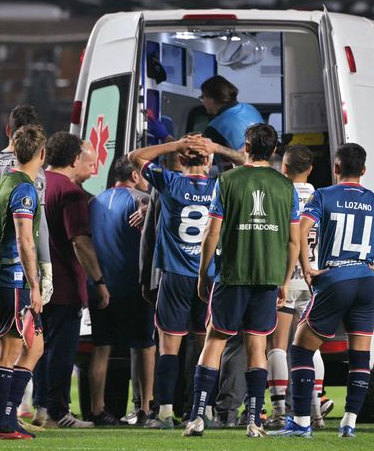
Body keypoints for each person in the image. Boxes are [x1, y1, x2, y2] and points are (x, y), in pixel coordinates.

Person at [270, 143, 374, 439]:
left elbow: (300, 230)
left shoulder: (323, 195)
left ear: (336, 168)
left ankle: (300, 423)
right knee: (360, 357)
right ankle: (349, 422)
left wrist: (308, 268)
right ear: (363, 171)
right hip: (365, 281)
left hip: (335, 278)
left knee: (300, 349)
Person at [183, 123, 300, 438]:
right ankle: (253, 420)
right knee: (257, 345)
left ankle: (197, 417)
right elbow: (293, 241)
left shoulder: (227, 180)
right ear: (274, 151)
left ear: (245, 148)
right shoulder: (285, 186)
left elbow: (212, 231)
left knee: (215, 340)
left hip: (232, 274)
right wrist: (285, 280)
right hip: (267, 277)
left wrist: (203, 273)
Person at [128, 133, 243, 429]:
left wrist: (177, 144)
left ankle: (165, 412)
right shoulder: (223, 184)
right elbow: (251, 161)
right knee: (208, 346)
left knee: (169, 347)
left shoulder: (169, 181)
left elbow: (135, 157)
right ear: (210, 161)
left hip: (175, 276)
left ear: (180, 160)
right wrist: (216, 148)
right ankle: (201, 410)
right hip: (210, 277)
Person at [0, 104, 50, 420]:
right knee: (13, 348)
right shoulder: (24, 188)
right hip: (13, 276)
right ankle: (3, 419)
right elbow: (26, 239)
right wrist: (36, 283)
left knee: (21, 345)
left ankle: (2, 417)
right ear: (41, 154)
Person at [33, 133, 110, 428]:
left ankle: (41, 409)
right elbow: (79, 241)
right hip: (64, 285)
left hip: (38, 285)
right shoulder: (71, 192)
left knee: (40, 349)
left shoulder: (38, 183)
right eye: (90, 161)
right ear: (75, 159)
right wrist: (99, 281)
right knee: (62, 352)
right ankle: (58, 412)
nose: (94, 166)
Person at [265, 144, 330, 429]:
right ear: (311, 169)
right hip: (315, 277)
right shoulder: (323, 198)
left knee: (277, 345)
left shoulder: (279, 195)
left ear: (284, 168)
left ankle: (279, 410)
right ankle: (315, 411)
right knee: (311, 347)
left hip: (286, 276)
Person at [88, 157, 153, 425]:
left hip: (101, 285)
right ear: (136, 175)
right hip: (133, 286)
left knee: (101, 348)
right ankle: (146, 409)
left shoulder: (95, 201)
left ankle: (96, 410)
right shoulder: (141, 199)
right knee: (145, 347)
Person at [200, 76, 264, 153]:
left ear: (212, 98)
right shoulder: (250, 108)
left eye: (203, 97)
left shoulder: (215, 127)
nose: (202, 102)